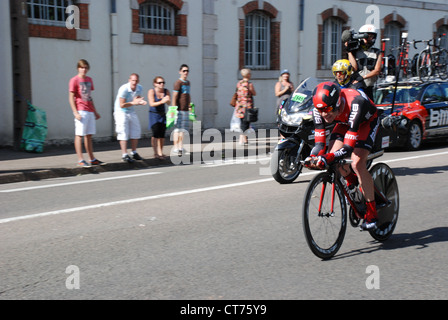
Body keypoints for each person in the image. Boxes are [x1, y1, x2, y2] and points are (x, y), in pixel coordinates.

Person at [305, 82, 380, 230]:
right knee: (333, 160)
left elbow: (347, 148)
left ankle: (372, 213)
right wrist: (312, 157)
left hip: (366, 122)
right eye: (321, 110)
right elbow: (320, 145)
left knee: (356, 163)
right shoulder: (319, 110)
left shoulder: (356, 103)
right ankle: (352, 186)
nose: (324, 114)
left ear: (338, 102)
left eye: (328, 109)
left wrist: (328, 157)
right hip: (344, 122)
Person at [69, 59, 106, 168]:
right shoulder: (74, 80)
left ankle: (92, 159)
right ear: (78, 68)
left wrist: (95, 111)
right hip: (80, 110)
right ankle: (80, 159)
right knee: (79, 135)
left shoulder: (89, 80)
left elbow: (89, 97)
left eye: (85, 67)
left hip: (89, 110)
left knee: (89, 135)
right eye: (81, 67)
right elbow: (71, 98)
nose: (83, 70)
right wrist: (75, 112)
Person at [113, 73, 147, 164]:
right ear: (129, 80)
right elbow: (122, 105)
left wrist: (140, 101)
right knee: (123, 132)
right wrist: (133, 102)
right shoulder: (124, 89)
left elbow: (137, 99)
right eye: (133, 80)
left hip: (131, 111)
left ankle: (134, 152)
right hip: (120, 111)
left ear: (138, 81)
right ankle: (124, 155)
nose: (134, 82)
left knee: (136, 130)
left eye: (136, 81)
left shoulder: (139, 88)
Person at [345, 24, 383, 101]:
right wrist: (349, 51)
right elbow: (354, 68)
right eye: (365, 36)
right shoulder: (355, 51)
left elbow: (377, 70)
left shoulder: (377, 52)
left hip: (369, 87)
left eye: (370, 36)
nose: (367, 39)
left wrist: (362, 77)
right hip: (357, 86)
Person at [148, 76, 170, 160]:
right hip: (154, 114)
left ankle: (161, 152)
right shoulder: (151, 91)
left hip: (162, 114)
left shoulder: (166, 91)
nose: (162, 84)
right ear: (155, 84)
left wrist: (167, 100)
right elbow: (151, 103)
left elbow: (168, 103)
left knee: (162, 134)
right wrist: (161, 101)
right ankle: (155, 153)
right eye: (159, 83)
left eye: (163, 82)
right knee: (155, 133)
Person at [172, 64, 191, 156]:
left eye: (187, 71)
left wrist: (189, 105)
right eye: (184, 71)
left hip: (185, 110)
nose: (186, 72)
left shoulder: (188, 83)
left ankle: (180, 146)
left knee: (183, 130)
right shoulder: (178, 83)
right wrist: (173, 110)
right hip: (179, 110)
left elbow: (188, 95)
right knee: (177, 129)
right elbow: (174, 96)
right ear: (180, 72)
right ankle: (175, 147)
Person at [234, 68, 256, 145]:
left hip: (239, 106)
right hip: (247, 106)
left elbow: (237, 93)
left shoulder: (239, 83)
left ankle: (245, 140)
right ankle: (241, 139)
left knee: (242, 123)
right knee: (246, 124)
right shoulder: (249, 84)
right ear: (248, 75)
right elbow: (254, 93)